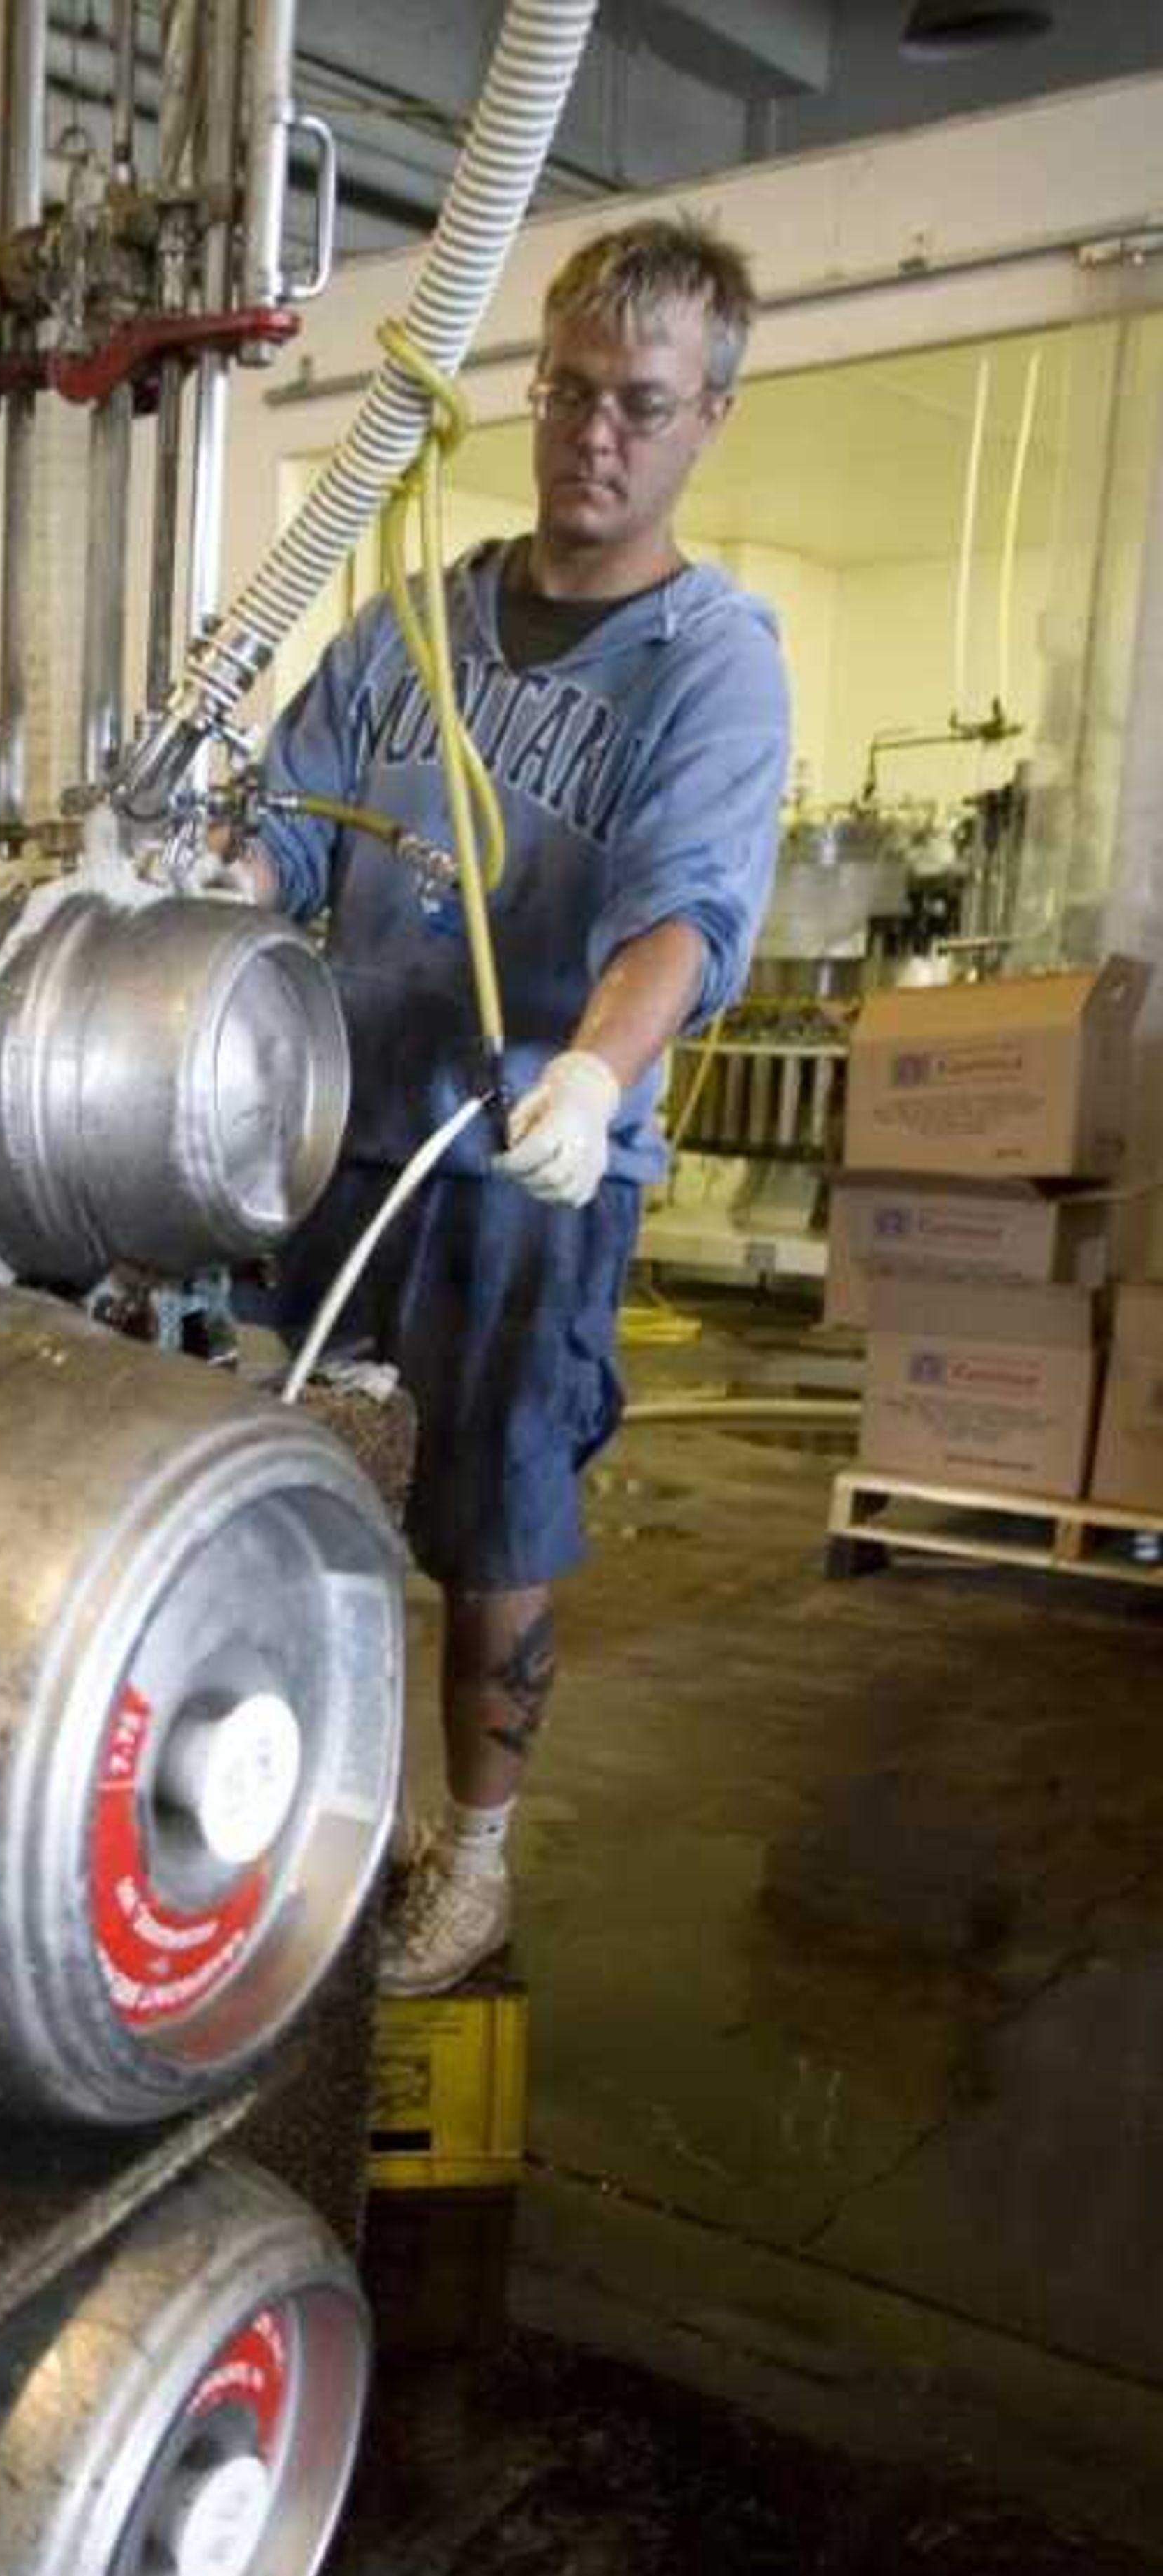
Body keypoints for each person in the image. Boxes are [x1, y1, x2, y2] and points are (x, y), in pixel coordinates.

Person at [247, 215, 792, 1995]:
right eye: (567, 392)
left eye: (640, 403)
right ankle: (289, 1813)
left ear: (709, 412)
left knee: (492, 1524)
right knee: (291, 1497)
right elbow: (285, 823)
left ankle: (470, 1857)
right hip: (333, 1138)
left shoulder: (711, 663)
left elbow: (684, 917)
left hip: (520, 1171)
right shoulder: (417, 611)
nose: (593, 437)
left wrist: (587, 1078)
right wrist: (175, 896)